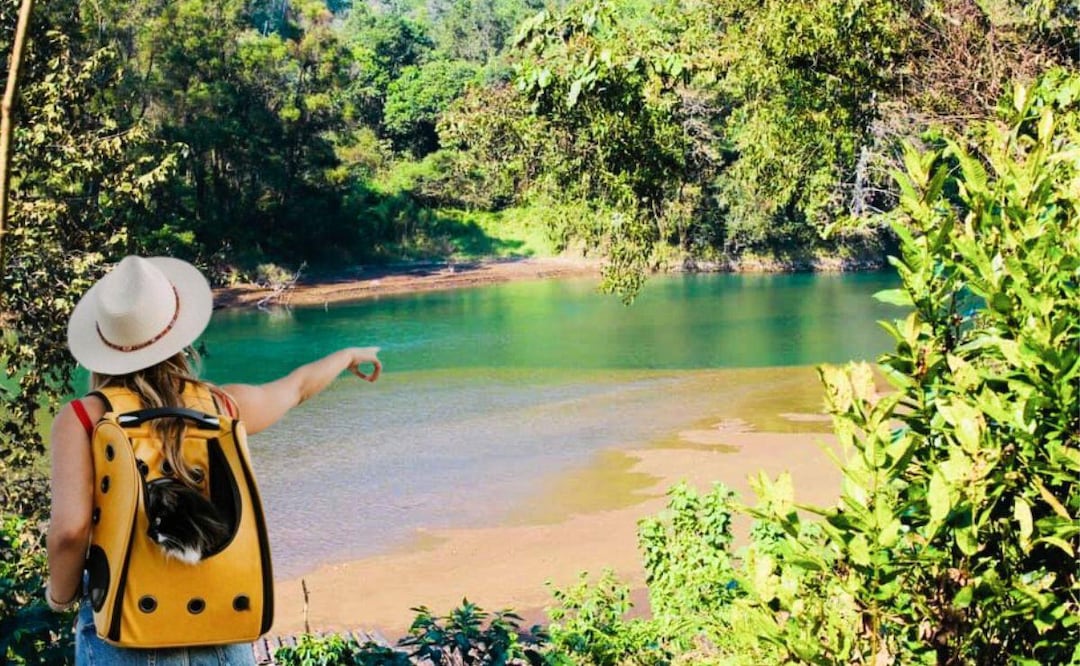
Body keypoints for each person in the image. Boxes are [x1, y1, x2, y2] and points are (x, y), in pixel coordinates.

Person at [45, 255, 382, 665]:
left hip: (126, 630)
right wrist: (348, 355)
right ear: (177, 335)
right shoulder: (222, 406)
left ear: (105, 344)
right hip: (221, 623)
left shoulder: (84, 419)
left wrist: (60, 596)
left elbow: (70, 531)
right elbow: (296, 388)